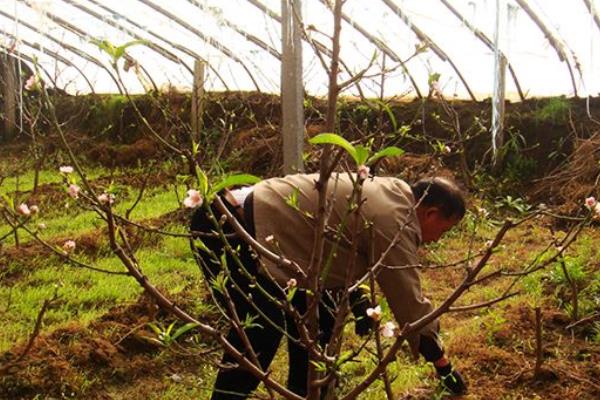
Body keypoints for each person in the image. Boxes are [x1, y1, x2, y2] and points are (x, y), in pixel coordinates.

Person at [190, 172, 468, 399]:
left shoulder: (392, 190)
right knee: (258, 336)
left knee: (318, 326)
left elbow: (340, 248)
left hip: (269, 236)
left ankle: (309, 393)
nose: (438, 239)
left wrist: (359, 300)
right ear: (431, 213)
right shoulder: (395, 220)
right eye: (444, 230)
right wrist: (443, 367)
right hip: (232, 228)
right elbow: (410, 303)